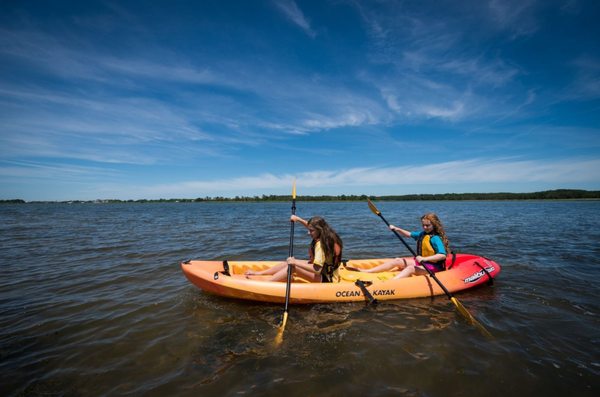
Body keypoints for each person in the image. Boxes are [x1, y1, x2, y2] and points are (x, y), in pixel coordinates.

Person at [245, 215, 343, 283]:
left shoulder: (320, 245)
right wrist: (298, 219)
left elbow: (317, 269)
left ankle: (266, 283)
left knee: (292, 266)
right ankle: (260, 273)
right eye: (309, 230)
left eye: (311, 231)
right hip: (325, 272)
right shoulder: (326, 234)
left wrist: (295, 262)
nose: (308, 233)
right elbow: (310, 226)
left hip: (326, 278)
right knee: (287, 263)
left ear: (319, 230)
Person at [362, 213, 450, 279]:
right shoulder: (422, 234)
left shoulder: (435, 238)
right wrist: (397, 229)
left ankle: (391, 283)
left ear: (434, 225)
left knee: (410, 268)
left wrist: (424, 259)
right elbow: (409, 234)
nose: (425, 227)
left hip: (433, 267)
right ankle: (368, 271)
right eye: (423, 225)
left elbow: (442, 255)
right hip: (421, 262)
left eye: (427, 225)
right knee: (397, 261)